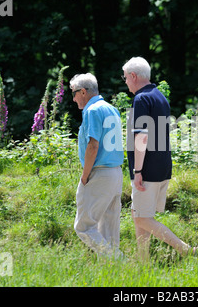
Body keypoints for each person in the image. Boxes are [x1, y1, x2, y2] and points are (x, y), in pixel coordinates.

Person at [122, 56, 196, 261]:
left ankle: (185, 249)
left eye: (125, 77)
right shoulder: (160, 97)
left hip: (147, 168)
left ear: (134, 76)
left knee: (141, 217)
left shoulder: (140, 99)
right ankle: (143, 262)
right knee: (140, 215)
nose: (125, 82)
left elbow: (142, 136)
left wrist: (137, 171)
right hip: (162, 164)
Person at [70, 73, 124, 259]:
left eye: (74, 93)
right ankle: (116, 272)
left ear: (83, 91)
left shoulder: (92, 111)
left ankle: (121, 262)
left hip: (99, 173)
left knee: (83, 227)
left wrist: (85, 176)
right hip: (116, 173)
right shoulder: (111, 109)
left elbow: (93, 146)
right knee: (108, 229)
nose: (74, 98)